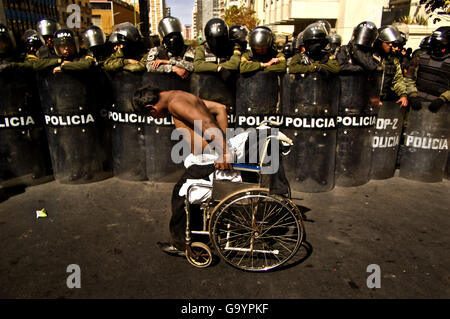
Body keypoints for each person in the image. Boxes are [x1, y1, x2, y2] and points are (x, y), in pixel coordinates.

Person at [132, 85, 231, 256]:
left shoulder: (175, 103)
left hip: (206, 160)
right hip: (206, 156)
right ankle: (198, 236)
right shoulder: (180, 96)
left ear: (151, 108)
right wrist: (224, 142)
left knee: (180, 194)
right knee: (188, 194)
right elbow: (220, 108)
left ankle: (181, 245)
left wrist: (224, 152)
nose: (155, 118)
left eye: (151, 115)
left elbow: (207, 123)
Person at [406, 26, 450, 113]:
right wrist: (412, 95)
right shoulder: (420, 58)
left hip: (441, 110)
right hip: (416, 105)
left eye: (440, 45)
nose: (437, 48)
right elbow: (409, 79)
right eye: (435, 44)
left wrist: (443, 99)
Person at [373, 25, 408, 108]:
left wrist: (403, 95)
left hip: (384, 101)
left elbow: (398, 79)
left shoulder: (393, 60)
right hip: (367, 102)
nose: (391, 45)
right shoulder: (368, 58)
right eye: (388, 43)